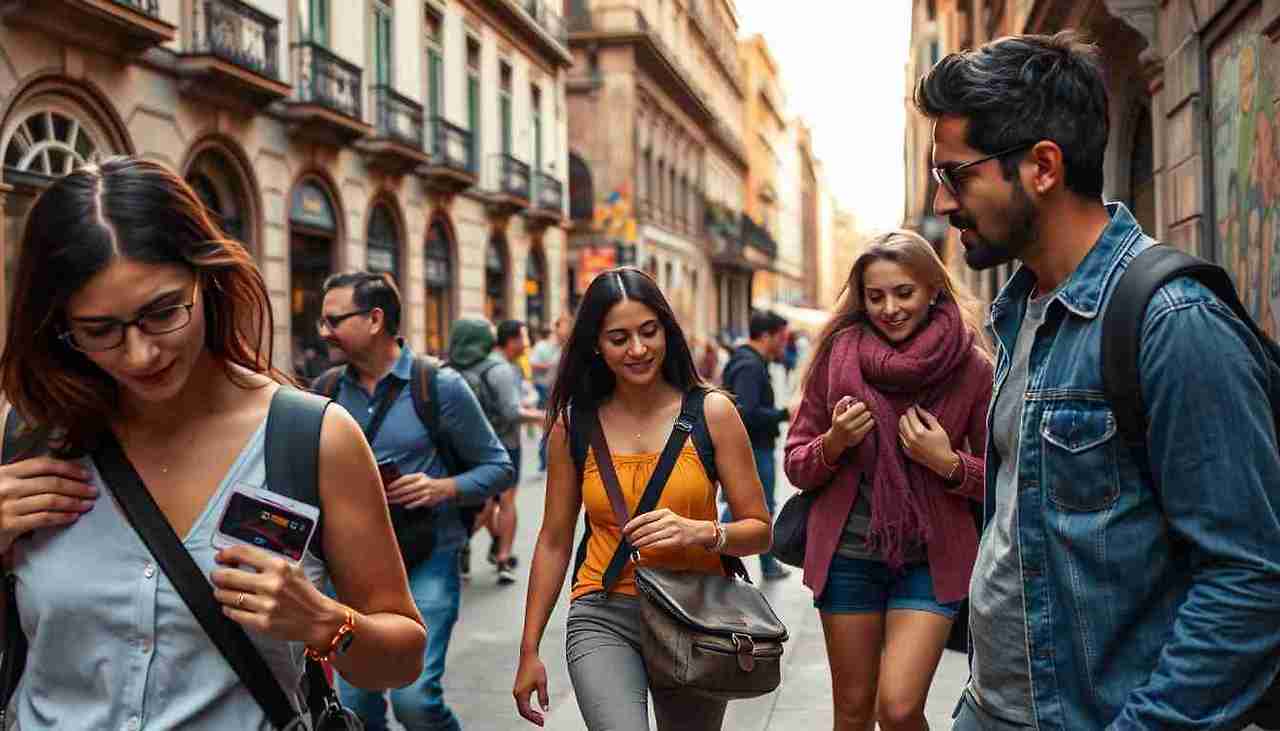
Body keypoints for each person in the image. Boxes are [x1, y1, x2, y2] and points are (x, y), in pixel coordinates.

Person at [916, 32, 1280, 729]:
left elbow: (1248, 581)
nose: (942, 202)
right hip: (992, 707)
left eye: (956, 175)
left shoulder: (1173, 321)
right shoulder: (1020, 312)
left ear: (1043, 167)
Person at [0, 157, 427, 729]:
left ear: (208, 279)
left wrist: (324, 623)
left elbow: (401, 658)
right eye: (100, 330)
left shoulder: (312, 438)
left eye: (162, 313)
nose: (140, 354)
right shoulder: (24, 438)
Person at [513, 267, 772, 731]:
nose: (638, 349)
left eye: (648, 331)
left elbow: (759, 530)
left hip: (697, 616)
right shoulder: (574, 426)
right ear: (596, 344)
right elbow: (553, 541)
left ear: (667, 332)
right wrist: (529, 649)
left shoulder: (713, 413)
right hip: (603, 610)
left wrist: (701, 532)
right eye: (618, 338)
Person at [783, 230, 991, 731]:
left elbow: (1007, 478)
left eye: (904, 293)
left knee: (898, 708)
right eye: (875, 296)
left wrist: (948, 462)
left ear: (933, 291)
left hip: (930, 559)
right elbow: (796, 463)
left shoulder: (972, 368)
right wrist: (832, 444)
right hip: (849, 558)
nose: (889, 308)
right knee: (852, 712)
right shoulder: (837, 357)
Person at [314, 272, 514, 731]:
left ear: (375, 320)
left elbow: (498, 467)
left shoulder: (437, 385)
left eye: (333, 320)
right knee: (357, 707)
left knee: (416, 702)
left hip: (427, 555)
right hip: (348, 570)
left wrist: (442, 488)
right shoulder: (324, 390)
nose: (323, 331)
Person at [448, 319, 534, 585]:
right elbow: (511, 412)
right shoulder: (500, 370)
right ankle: (503, 559)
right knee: (506, 502)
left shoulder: (451, 370)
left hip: (467, 446)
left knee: (482, 502)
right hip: (504, 445)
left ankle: (464, 544)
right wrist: (542, 416)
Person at [720, 309, 793, 580]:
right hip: (752, 448)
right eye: (781, 338)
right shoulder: (750, 366)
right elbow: (746, 411)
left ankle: (766, 563)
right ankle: (713, 554)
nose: (784, 344)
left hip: (750, 447)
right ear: (766, 336)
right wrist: (784, 414)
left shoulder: (748, 361)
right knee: (752, 508)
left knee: (754, 507)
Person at [529, 314, 570, 472]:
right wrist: (547, 366)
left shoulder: (567, 347)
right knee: (549, 424)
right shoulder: (544, 346)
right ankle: (544, 459)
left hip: (564, 391)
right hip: (546, 389)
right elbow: (533, 364)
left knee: (560, 425)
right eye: (562, 327)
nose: (565, 332)